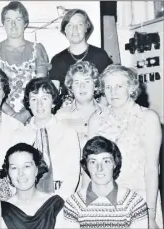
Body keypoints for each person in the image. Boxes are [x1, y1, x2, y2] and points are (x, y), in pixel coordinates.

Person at [88, 64, 163, 228]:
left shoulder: (148, 118)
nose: (113, 92)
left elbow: (151, 169)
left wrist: (149, 215)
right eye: (108, 87)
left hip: (139, 201)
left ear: (131, 88)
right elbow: (91, 168)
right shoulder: (96, 120)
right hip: (105, 202)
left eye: (119, 86)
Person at [10, 78, 80, 200]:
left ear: (53, 102)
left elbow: (73, 175)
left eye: (44, 98)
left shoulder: (68, 133)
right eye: (34, 99)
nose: (39, 104)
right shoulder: (18, 135)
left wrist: (56, 203)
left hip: (59, 198)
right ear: (28, 104)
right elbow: (12, 174)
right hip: (27, 200)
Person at [0, 1, 50, 124]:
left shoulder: (37, 50)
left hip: (33, 114)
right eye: (8, 20)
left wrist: (25, 114)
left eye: (18, 19)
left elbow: (40, 87)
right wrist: (12, 115)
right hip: (0, 116)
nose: (13, 24)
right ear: (3, 24)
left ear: (25, 23)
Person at [63, 136, 148, 229]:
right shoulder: (73, 204)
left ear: (115, 164)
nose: (99, 168)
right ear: (86, 166)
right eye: (93, 162)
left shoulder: (135, 204)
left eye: (106, 161)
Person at [49, 9, 112, 109]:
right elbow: (53, 96)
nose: (74, 29)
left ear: (87, 27)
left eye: (79, 24)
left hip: (98, 112)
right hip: (68, 115)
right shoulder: (57, 60)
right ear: (64, 30)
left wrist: (97, 111)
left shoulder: (100, 56)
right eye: (69, 25)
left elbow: (110, 87)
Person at [0, 143, 65, 229]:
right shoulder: (2, 211)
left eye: (26, 166)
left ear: (36, 170)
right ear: (8, 172)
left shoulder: (55, 205)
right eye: (14, 168)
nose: (20, 173)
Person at [56, 61, 103, 150]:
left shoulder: (107, 114)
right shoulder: (61, 117)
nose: (82, 86)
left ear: (95, 85)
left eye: (87, 81)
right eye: (77, 82)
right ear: (71, 88)